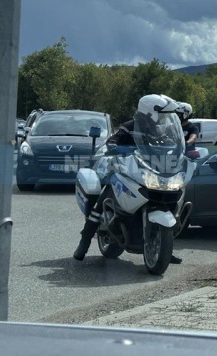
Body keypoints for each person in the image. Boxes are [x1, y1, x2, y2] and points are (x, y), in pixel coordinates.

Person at [73, 94, 185, 264]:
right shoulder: (130, 126)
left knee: (170, 200)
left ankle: (165, 249)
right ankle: (84, 242)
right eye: (161, 114)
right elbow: (114, 139)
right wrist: (113, 145)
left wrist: (181, 151)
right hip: (126, 169)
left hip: (151, 171)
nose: (163, 118)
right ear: (149, 111)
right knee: (102, 201)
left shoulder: (160, 130)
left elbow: (171, 144)